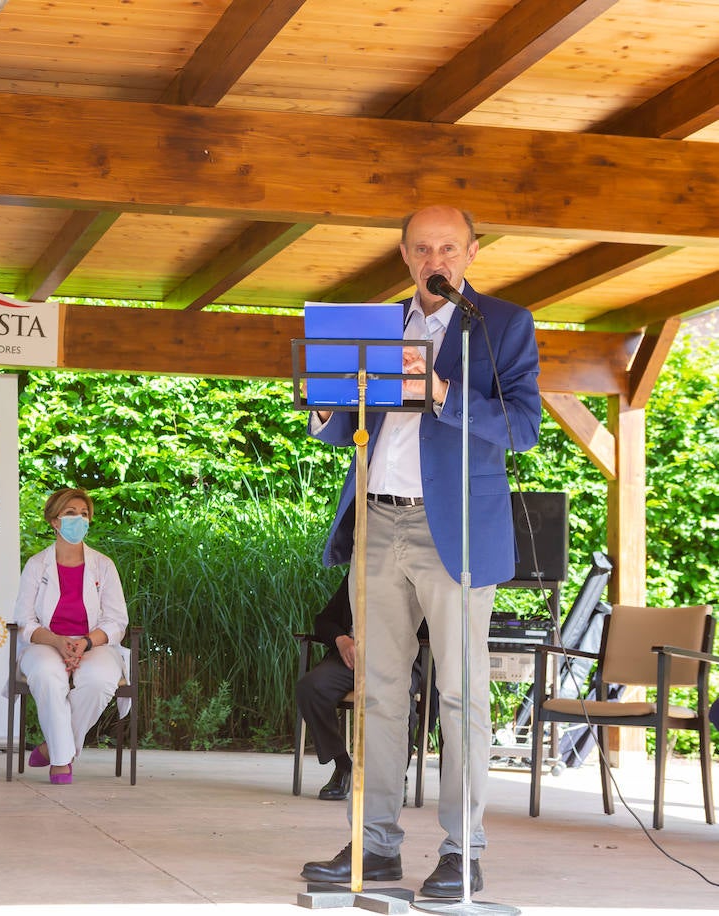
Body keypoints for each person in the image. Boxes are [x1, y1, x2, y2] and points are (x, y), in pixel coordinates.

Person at [300, 206, 541, 898]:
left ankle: (462, 853)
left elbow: (523, 428)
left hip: (456, 531)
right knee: (376, 694)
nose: (435, 258)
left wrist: (442, 392)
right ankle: (375, 848)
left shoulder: (501, 325)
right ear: (405, 255)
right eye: (421, 247)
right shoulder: (375, 325)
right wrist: (322, 404)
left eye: (448, 247)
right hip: (377, 524)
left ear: (469, 253)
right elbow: (342, 422)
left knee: (462, 695)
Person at [12, 487, 129, 785]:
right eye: (70, 513)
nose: (79, 519)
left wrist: (86, 642)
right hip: (45, 642)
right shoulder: (37, 565)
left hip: (93, 643)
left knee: (100, 680)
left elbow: (117, 621)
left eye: (84, 514)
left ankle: (54, 748)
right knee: (48, 675)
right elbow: (24, 621)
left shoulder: (104, 565)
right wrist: (56, 641)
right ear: (54, 521)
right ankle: (62, 761)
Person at [296, 571, 433, 802]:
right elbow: (324, 620)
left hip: (398, 660)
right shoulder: (359, 572)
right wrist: (341, 639)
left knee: (399, 699)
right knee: (311, 687)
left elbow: (432, 630)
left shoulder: (416, 575)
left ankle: (395, 776)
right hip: (350, 661)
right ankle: (344, 766)